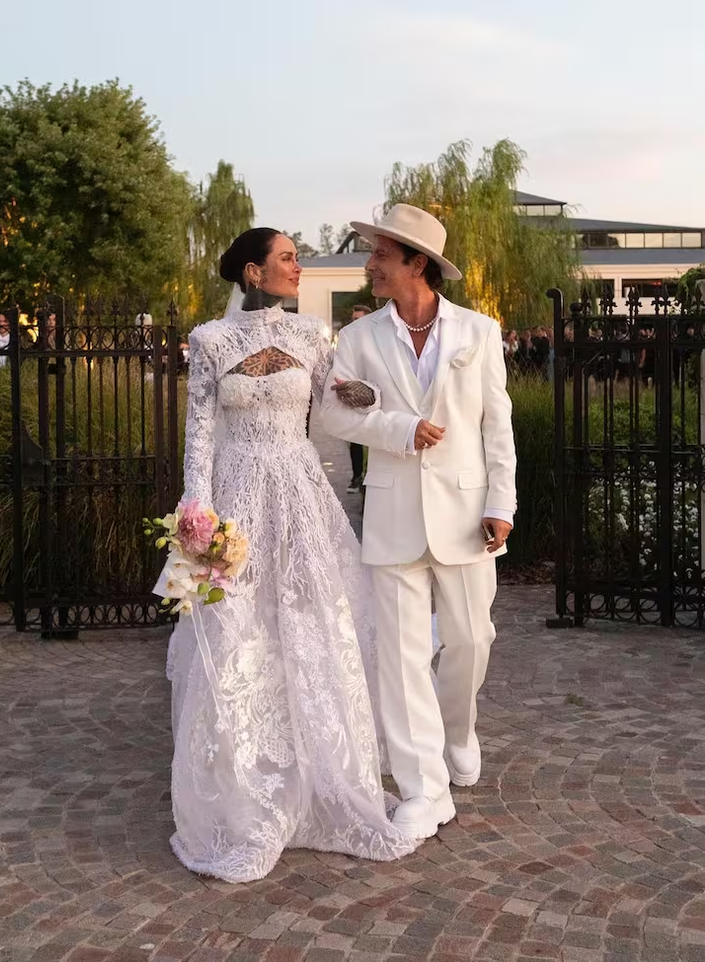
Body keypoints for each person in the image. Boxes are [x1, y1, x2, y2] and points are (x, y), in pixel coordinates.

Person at [154, 227, 417, 883]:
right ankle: (244, 788)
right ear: (253, 271)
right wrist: (197, 511)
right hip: (236, 494)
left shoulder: (308, 335)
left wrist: (370, 395)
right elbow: (199, 435)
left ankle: (321, 770)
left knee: (311, 621)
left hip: (299, 493)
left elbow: (338, 401)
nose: (299, 267)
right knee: (234, 628)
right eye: (288, 258)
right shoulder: (210, 341)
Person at [321, 204, 516, 840]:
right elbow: (334, 416)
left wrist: (502, 504)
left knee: (471, 640)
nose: (370, 264)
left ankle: (457, 732)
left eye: (381, 254)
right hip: (393, 514)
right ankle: (421, 789)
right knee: (401, 659)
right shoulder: (358, 338)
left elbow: (497, 427)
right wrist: (398, 429)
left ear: (416, 263)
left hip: (467, 513)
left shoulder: (478, 332)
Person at [346, 304, 372, 492]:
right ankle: (357, 477)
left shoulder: (378, 341)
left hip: (376, 398)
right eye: (353, 319)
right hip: (355, 398)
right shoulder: (348, 342)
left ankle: (369, 477)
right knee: (355, 440)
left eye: (358, 319)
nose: (354, 323)